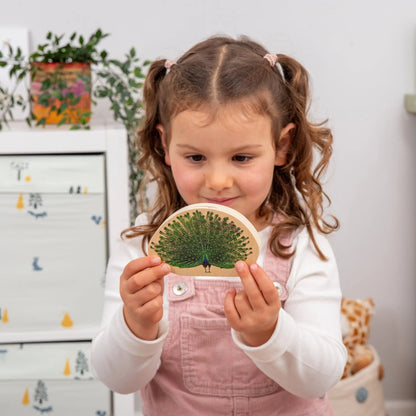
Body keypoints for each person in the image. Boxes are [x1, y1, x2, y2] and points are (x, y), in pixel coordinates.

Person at [91, 35, 347, 416]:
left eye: (241, 157)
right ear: (165, 144)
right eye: (195, 156)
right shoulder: (142, 246)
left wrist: (270, 332)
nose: (218, 181)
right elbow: (117, 379)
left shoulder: (302, 244)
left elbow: (322, 376)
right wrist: (134, 324)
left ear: (282, 146)